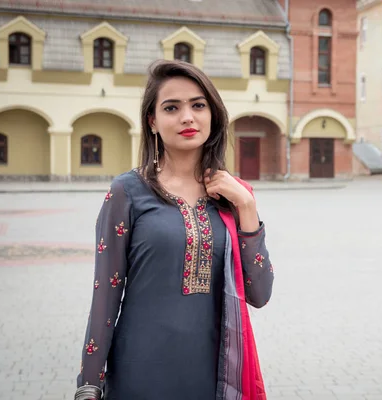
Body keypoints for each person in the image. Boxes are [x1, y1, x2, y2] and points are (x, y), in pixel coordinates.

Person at [74, 60, 274, 400]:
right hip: (140, 368)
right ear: (153, 121)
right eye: (172, 107)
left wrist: (247, 207)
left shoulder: (232, 196)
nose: (187, 117)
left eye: (198, 105)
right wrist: (89, 383)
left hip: (212, 372)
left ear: (213, 115)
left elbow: (260, 294)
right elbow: (105, 293)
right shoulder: (128, 191)